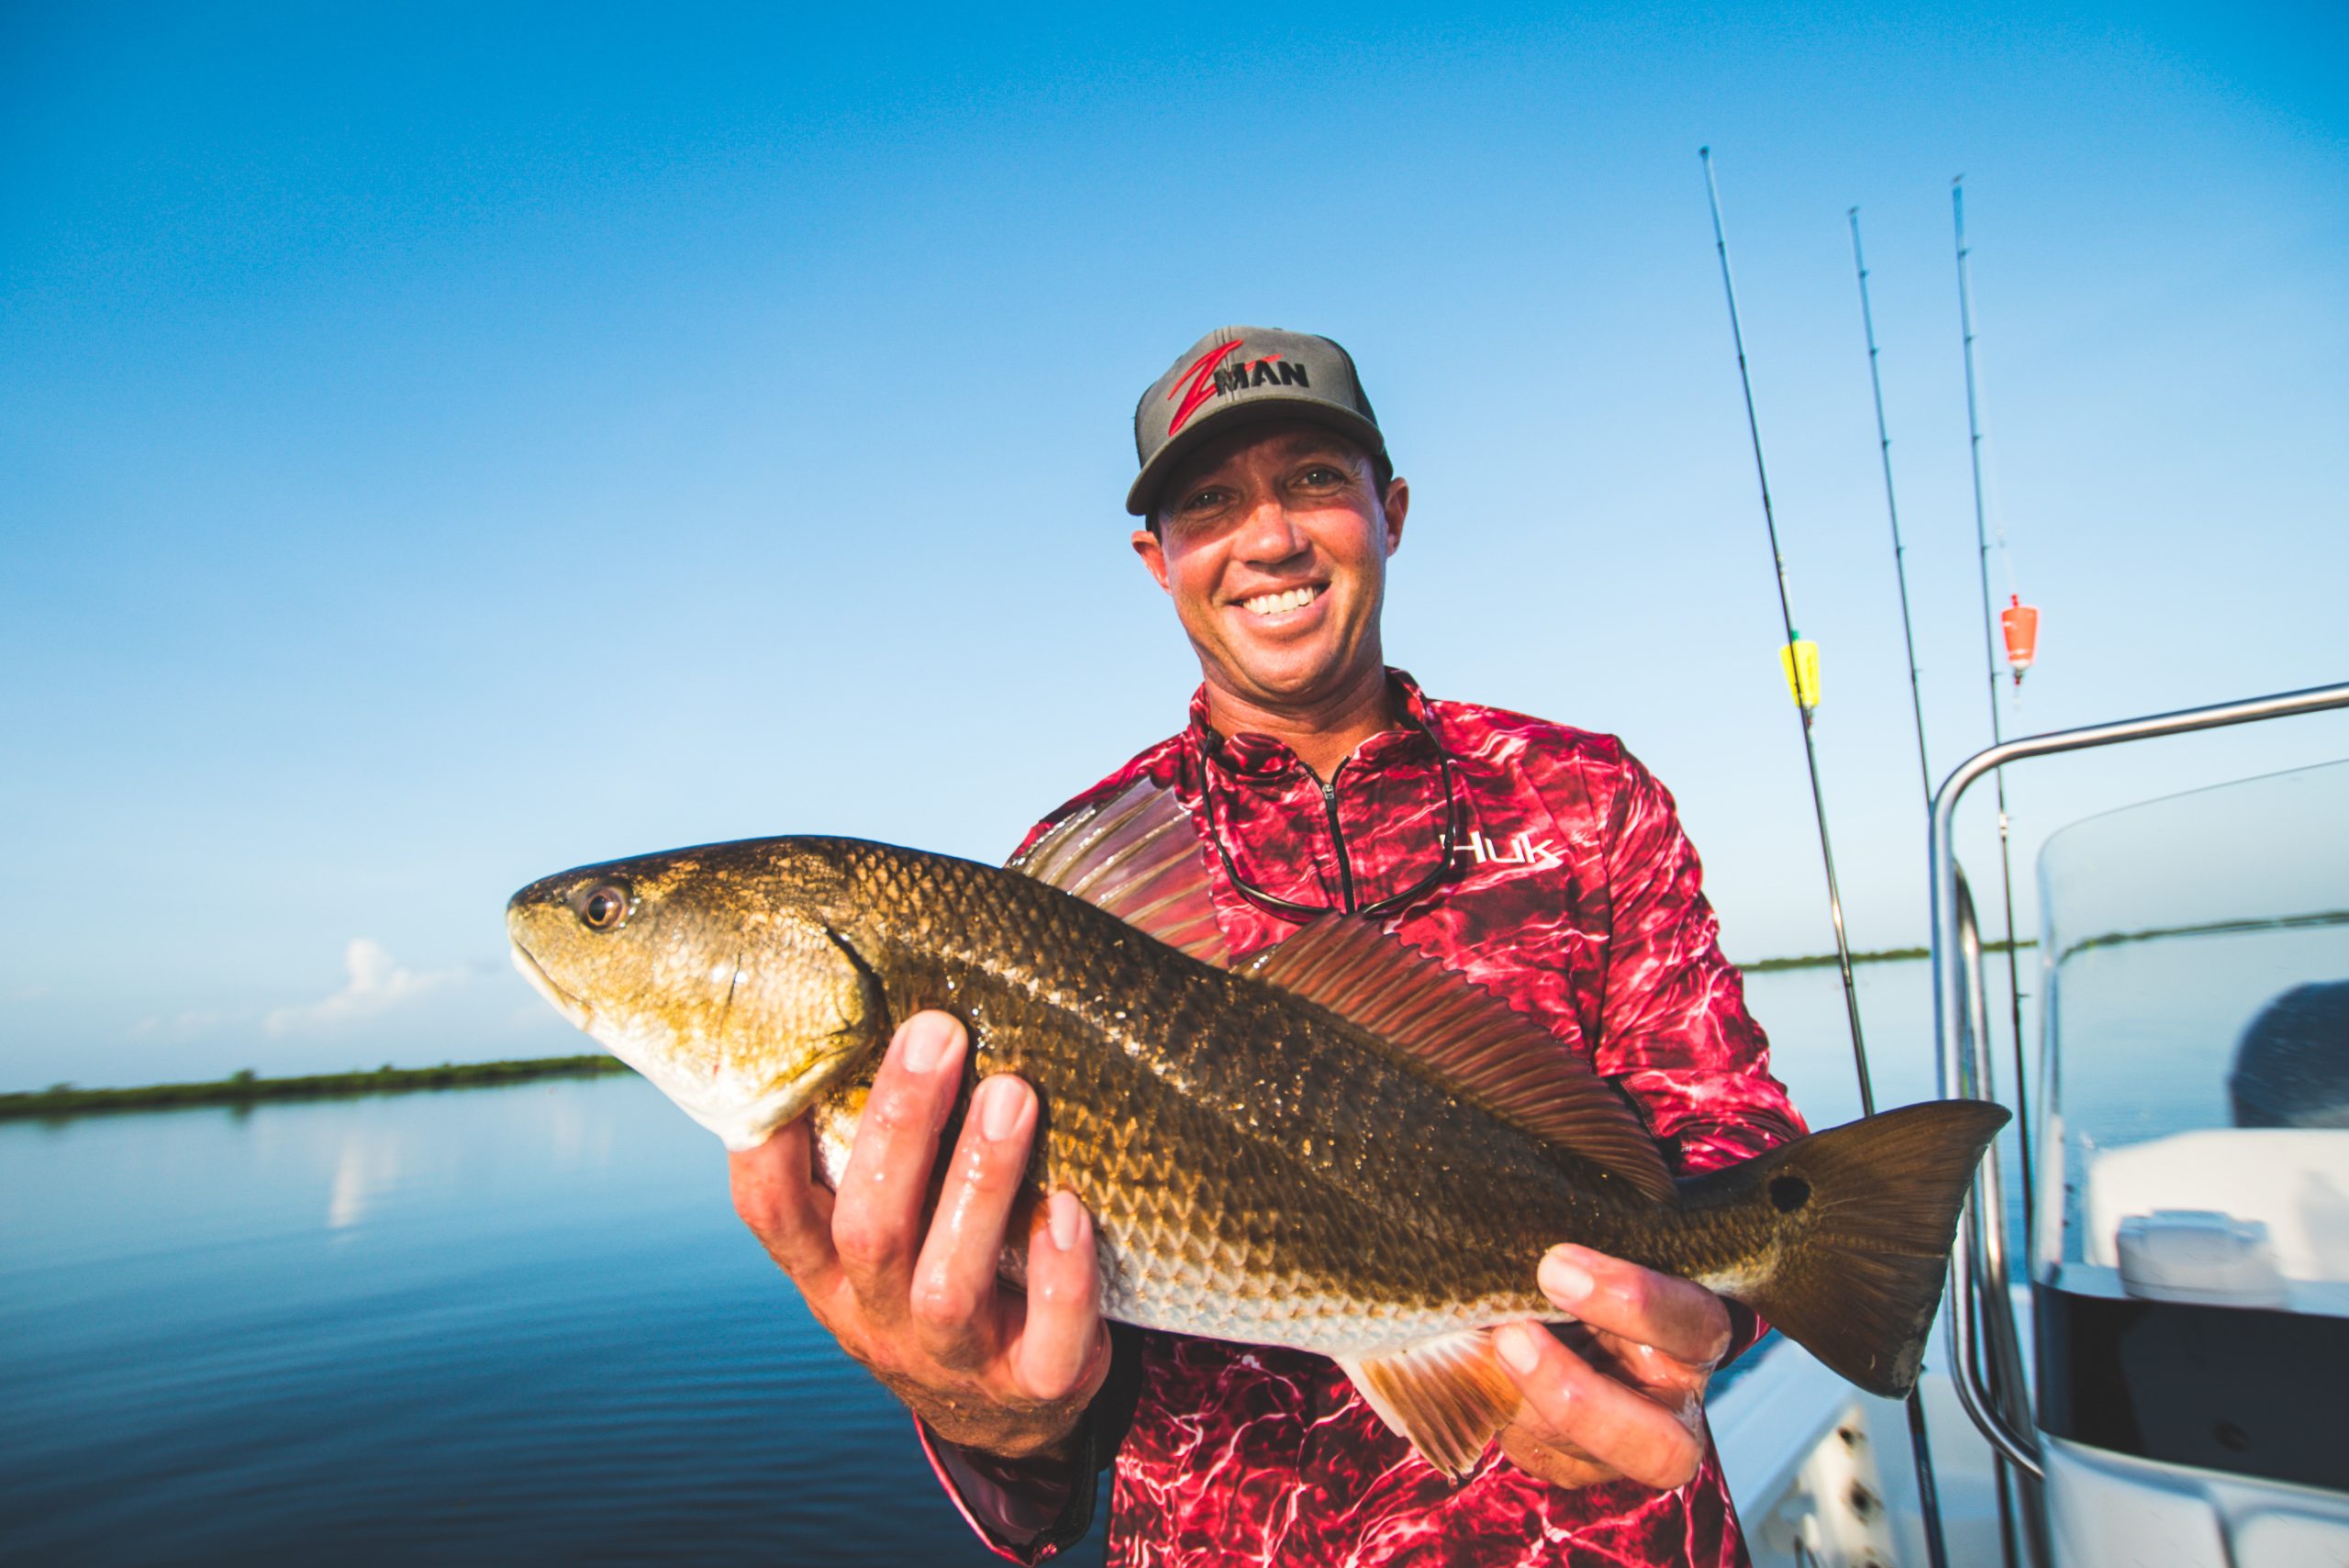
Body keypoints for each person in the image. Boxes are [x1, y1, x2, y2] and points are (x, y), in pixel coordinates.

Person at [729, 326, 1809, 1565]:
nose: (1271, 535)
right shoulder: (1063, 889)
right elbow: (1036, 1476)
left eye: (1313, 479)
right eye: (1208, 500)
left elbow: (1738, 1153)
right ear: (1158, 558)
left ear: (1388, 510)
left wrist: (1688, 1318)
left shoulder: (1590, 794)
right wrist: (981, 1404)